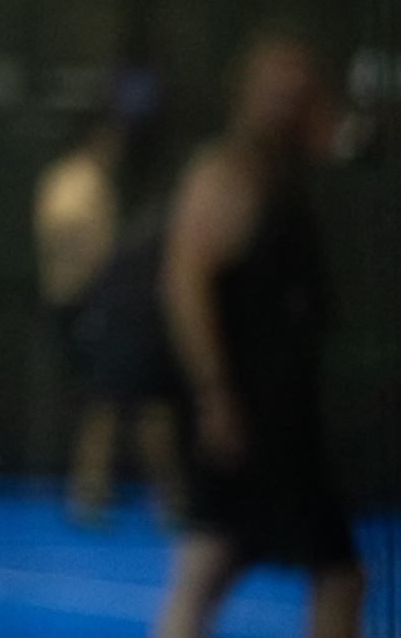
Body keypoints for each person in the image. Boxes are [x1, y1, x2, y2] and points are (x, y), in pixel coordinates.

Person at [151, 35, 362, 638]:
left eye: (300, 90)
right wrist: (217, 395)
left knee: (226, 569)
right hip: (248, 414)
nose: (289, 102)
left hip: (283, 410)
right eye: (277, 89)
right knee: (213, 569)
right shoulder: (226, 173)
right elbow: (183, 286)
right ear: (245, 94)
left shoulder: (286, 173)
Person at [37, 110, 180, 525]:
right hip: (92, 308)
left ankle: (105, 492)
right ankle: (107, 493)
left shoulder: (74, 179)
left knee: (118, 403)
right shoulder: (78, 181)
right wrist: (100, 270)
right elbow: (65, 227)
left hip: (94, 307)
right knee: (123, 402)